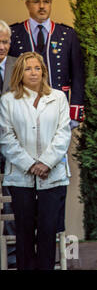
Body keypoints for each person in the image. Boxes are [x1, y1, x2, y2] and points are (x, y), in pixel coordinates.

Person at [0, 52, 71, 270]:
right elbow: (6, 138)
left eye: (37, 68)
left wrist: (46, 163)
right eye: (28, 68)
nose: (33, 72)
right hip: (21, 178)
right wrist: (31, 165)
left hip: (53, 176)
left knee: (49, 231)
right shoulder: (8, 101)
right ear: (19, 73)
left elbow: (64, 133)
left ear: (44, 72)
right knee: (24, 232)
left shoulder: (58, 98)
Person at [9, 0, 85, 128]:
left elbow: (78, 74)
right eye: (36, 2)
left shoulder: (67, 35)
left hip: (58, 109)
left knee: (57, 151)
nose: (42, 6)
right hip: (23, 111)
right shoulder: (14, 34)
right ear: (27, 4)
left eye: (46, 2)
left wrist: (75, 110)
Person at [0, 19, 17, 268]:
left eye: (5, 41)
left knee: (11, 199)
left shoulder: (18, 66)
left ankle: (13, 254)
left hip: (12, 144)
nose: (1, 46)